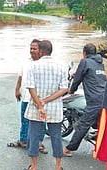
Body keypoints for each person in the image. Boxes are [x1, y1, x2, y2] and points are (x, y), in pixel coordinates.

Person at [25, 40, 68, 170]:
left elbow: (31, 88)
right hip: (55, 109)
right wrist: (47, 100)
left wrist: (39, 104)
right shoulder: (62, 67)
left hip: (35, 108)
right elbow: (64, 89)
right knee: (56, 136)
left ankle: (34, 166)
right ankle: (58, 166)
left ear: (41, 51)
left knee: (34, 136)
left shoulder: (33, 66)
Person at [63, 43, 106, 157]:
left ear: (84, 53)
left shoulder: (85, 61)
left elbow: (77, 79)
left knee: (83, 124)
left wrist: (71, 90)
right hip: (105, 97)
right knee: (99, 123)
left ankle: (68, 148)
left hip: (94, 99)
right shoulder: (100, 63)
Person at [8, 39, 48, 154]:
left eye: (34, 48)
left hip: (40, 98)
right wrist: (17, 89)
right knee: (24, 120)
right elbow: (20, 76)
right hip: (26, 96)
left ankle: (39, 142)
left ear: (40, 50)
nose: (32, 50)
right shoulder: (26, 62)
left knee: (41, 120)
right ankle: (23, 140)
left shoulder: (43, 64)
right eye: (30, 48)